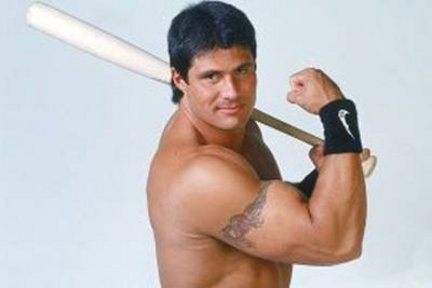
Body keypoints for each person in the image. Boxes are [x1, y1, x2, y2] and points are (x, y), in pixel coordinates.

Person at [147, 1, 368, 287]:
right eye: (211, 76)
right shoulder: (197, 174)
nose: (231, 92)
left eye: (241, 71)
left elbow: (264, 211)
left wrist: (329, 173)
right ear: (179, 78)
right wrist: (336, 111)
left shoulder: (242, 128)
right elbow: (337, 243)